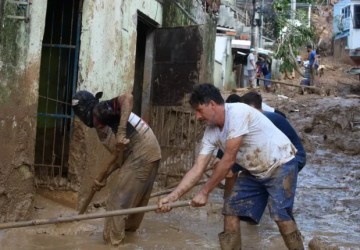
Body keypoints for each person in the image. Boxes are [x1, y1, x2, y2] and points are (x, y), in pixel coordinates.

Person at [157, 83, 304, 250]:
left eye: (199, 110)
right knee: (230, 210)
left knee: (280, 215)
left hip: (281, 164)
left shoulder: (237, 112)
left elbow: (228, 160)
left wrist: (204, 192)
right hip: (254, 171)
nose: (197, 117)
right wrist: (172, 196)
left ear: (212, 104)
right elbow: (198, 168)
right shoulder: (211, 132)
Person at [72, 90, 161, 246]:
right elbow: (119, 158)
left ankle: (114, 244)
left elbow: (127, 97)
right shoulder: (104, 121)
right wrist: (103, 178)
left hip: (141, 149)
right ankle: (129, 238)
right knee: (135, 200)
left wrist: (121, 132)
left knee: (116, 200)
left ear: (83, 110)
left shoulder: (99, 110)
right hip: (150, 149)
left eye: (78, 115)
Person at [240, 91, 306, 172]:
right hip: (287, 156)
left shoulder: (265, 119)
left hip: (294, 158)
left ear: (251, 107)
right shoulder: (266, 116)